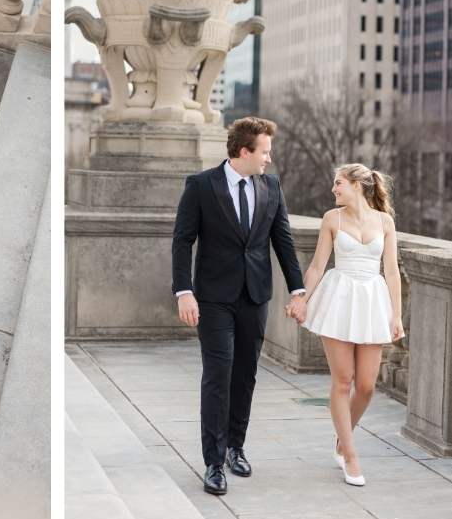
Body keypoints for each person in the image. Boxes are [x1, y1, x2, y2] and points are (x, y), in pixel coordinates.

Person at [171, 117, 307, 496]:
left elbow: (283, 240)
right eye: (265, 151)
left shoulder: (271, 185)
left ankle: (236, 447)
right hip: (213, 298)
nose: (269, 158)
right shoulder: (201, 185)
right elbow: (182, 240)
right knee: (218, 374)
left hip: (255, 296)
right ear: (244, 151)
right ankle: (213, 463)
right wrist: (184, 291)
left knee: (245, 374)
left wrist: (298, 290)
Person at [294, 163, 405, 487]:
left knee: (367, 385)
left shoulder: (385, 222)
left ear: (357, 184)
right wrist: (301, 299)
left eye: (338, 183)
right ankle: (351, 455)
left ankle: (343, 439)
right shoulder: (332, 219)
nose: (334, 189)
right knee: (343, 381)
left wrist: (396, 315)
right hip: (339, 298)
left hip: (372, 299)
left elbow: (393, 272)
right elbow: (317, 266)